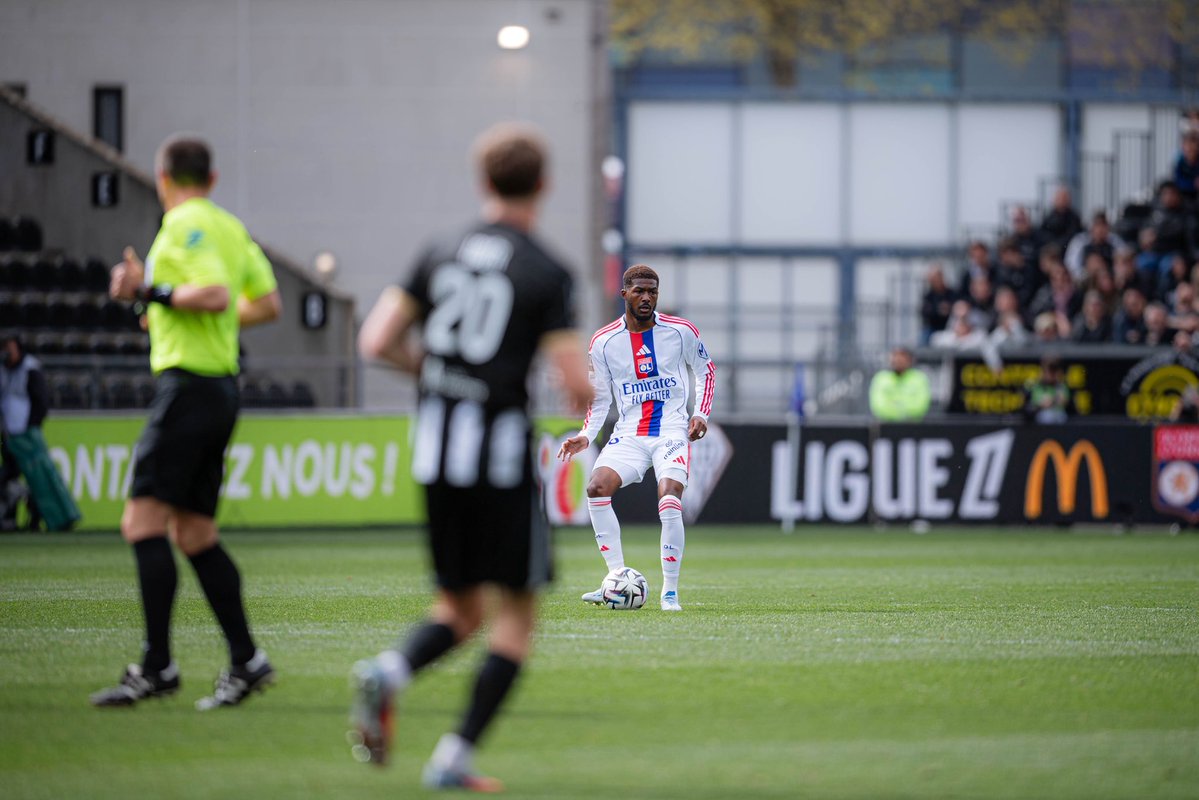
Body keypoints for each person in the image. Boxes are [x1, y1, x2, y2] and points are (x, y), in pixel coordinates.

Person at [349, 123, 592, 791]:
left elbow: (376, 340)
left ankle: (390, 672)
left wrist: (439, 374)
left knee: (458, 610)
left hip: (436, 454)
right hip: (501, 458)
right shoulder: (546, 270)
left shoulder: (439, 251)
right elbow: (573, 383)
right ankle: (453, 757)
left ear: (482, 181)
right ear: (543, 185)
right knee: (514, 614)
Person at [91, 134, 282, 709]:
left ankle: (157, 668)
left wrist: (148, 290)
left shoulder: (181, 224)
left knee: (141, 522)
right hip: (219, 388)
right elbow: (266, 303)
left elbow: (217, 295)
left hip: (189, 388)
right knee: (195, 534)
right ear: (214, 177)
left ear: (163, 176)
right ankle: (247, 661)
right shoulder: (229, 227)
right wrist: (187, 313)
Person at [557, 263, 716, 613]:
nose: (647, 297)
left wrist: (700, 413)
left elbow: (706, 370)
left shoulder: (680, 331)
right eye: (640, 291)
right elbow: (600, 396)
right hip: (629, 432)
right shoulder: (603, 341)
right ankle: (617, 579)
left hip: (671, 429)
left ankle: (669, 593)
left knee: (669, 496)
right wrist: (587, 434)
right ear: (624, 293)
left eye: (653, 291)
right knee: (596, 488)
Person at [0, 334, 48, 530]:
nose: (7, 353)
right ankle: (9, 516)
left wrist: (32, 426)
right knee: (10, 476)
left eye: (10, 348)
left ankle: (33, 517)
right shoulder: (3, 369)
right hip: (8, 434)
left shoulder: (30, 368)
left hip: (25, 434)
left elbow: (41, 400)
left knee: (30, 476)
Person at [868, 347, 930, 421]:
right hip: (886, 427)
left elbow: (921, 407)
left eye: (902, 358)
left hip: (913, 427)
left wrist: (894, 407)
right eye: (895, 358)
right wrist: (903, 411)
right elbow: (878, 407)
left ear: (910, 360)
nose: (898, 361)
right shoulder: (881, 378)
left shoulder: (919, 378)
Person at [1025, 356, 1072, 424]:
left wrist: (1063, 401)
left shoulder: (1061, 386)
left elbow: (1067, 403)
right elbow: (1031, 407)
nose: (1052, 375)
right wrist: (1041, 404)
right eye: (1050, 372)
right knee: (1047, 415)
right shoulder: (1037, 386)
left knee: (1061, 415)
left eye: (1054, 372)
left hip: (1059, 415)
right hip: (1042, 418)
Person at [1039, 186, 1084, 252]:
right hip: (1052, 251)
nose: (1062, 201)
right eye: (1060, 198)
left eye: (1065, 198)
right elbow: (1043, 234)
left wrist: (1059, 244)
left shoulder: (1074, 218)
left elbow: (1073, 235)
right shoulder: (1048, 218)